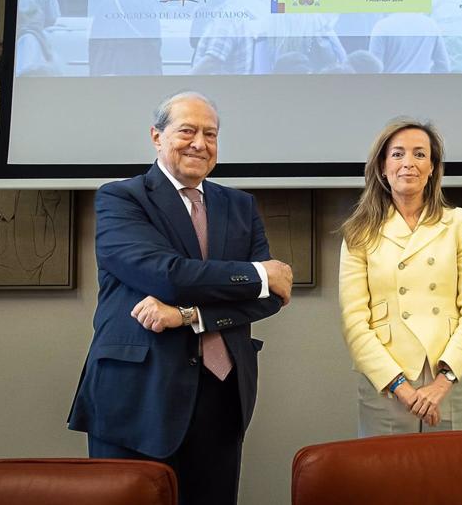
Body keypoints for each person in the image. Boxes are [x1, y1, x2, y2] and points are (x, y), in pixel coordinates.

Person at [67, 91, 294, 505]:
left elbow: (268, 298)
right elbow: (165, 274)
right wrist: (259, 273)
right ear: (156, 136)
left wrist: (188, 315)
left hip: (222, 393)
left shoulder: (240, 205)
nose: (200, 143)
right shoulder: (121, 198)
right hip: (138, 394)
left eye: (211, 134)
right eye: (186, 130)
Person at [338, 119, 462, 436]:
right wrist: (400, 386)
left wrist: (442, 383)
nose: (409, 163)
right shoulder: (358, 232)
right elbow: (354, 321)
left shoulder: (460, 223)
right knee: (388, 482)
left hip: (450, 379)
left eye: (420, 154)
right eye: (398, 154)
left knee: (453, 480)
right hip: (386, 381)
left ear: (432, 167)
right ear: (382, 166)